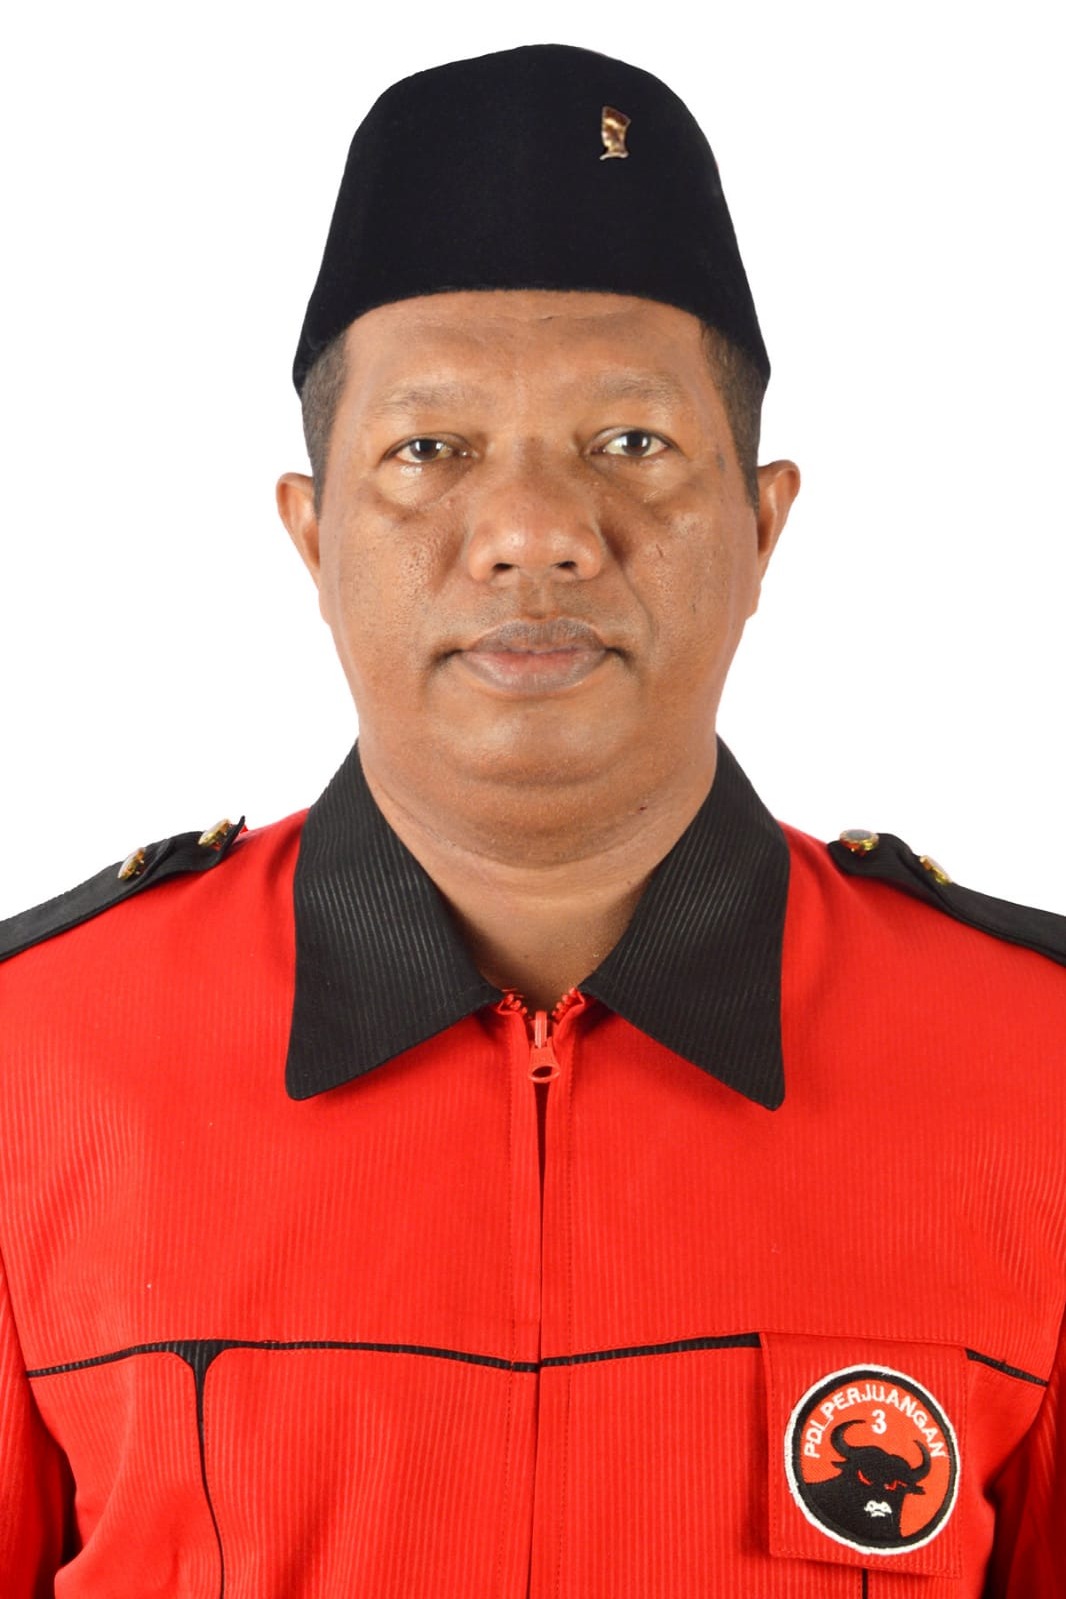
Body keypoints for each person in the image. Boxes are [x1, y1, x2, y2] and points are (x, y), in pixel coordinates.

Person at [1, 42, 1063, 1597]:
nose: (531, 534)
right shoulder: (37, 1063)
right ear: (311, 536)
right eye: (428, 451)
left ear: (762, 526)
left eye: (629, 445)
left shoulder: (1033, 1069)